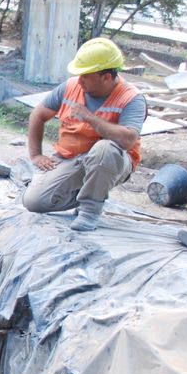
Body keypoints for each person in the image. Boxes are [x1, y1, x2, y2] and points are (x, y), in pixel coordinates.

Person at [23, 37, 146, 231]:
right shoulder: (71, 86)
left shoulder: (131, 98)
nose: (80, 81)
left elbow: (128, 140)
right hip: (72, 158)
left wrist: (91, 118)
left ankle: (90, 210)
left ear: (106, 77)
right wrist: (36, 154)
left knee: (105, 148)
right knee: (34, 202)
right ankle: (86, 194)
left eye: (86, 76)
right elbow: (38, 115)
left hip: (111, 161)